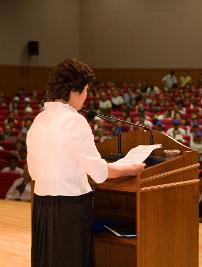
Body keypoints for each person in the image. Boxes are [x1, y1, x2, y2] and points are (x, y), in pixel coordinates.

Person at [27, 59, 146, 267]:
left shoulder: (39, 119)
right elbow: (99, 173)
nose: (86, 96)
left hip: (42, 206)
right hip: (70, 208)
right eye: (85, 90)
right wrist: (131, 167)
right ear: (74, 90)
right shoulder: (74, 121)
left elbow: (34, 171)